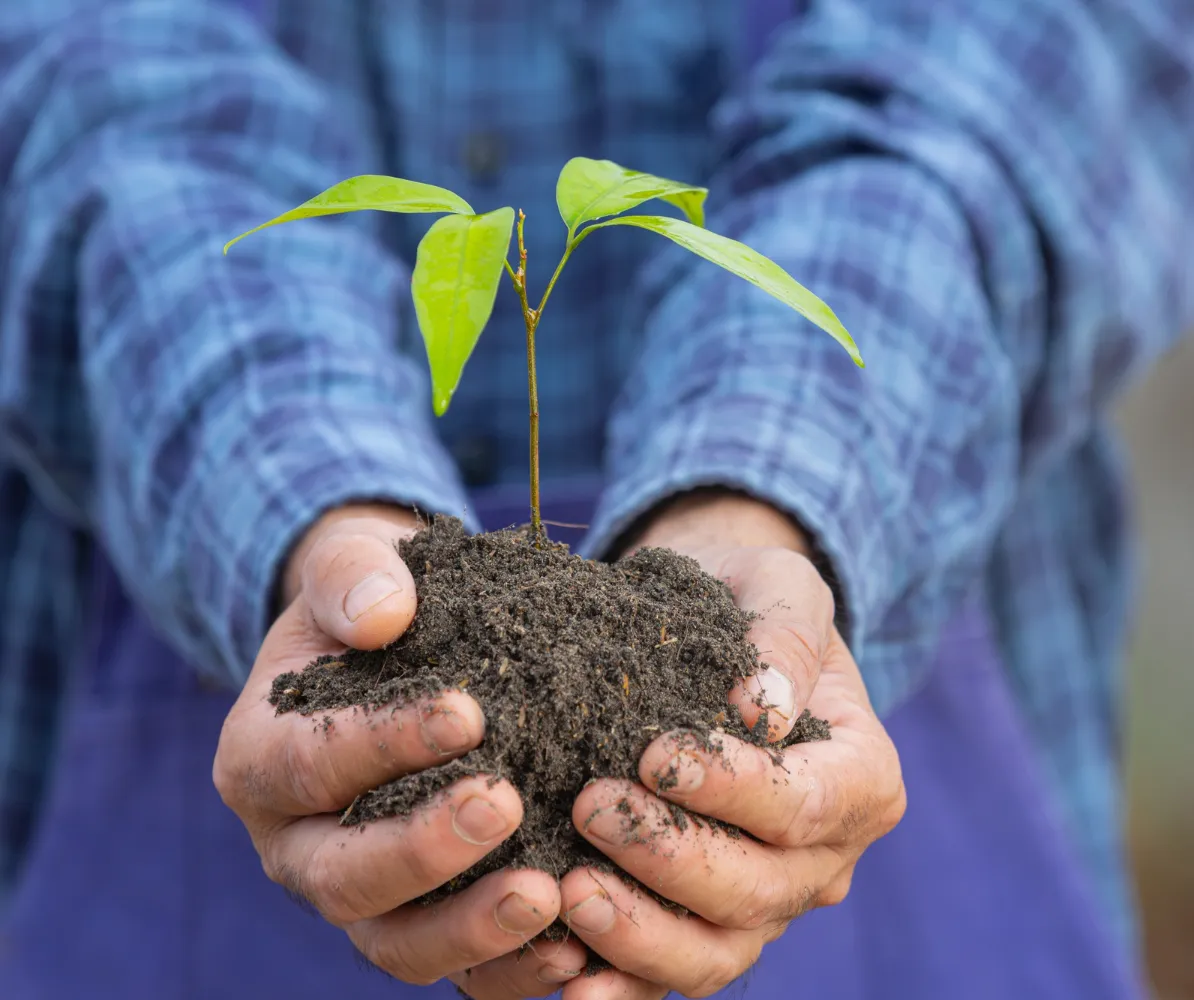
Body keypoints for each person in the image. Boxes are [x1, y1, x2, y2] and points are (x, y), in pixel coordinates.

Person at [0, 1, 1189, 997]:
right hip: (164, 668)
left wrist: (776, 478)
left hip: (909, 631)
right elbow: (99, 98)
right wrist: (305, 489)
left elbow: (1023, 70)